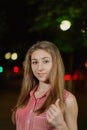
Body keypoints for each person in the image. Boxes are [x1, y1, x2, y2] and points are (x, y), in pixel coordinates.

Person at [12, 41, 78, 130]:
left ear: (55, 63)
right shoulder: (27, 95)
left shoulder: (68, 99)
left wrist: (60, 125)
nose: (39, 68)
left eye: (45, 61)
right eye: (35, 62)